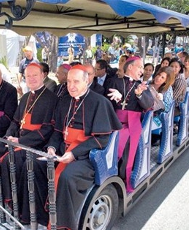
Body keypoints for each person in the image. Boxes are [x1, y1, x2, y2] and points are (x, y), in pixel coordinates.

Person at [45, 64, 122, 230]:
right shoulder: (64, 101)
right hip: (63, 149)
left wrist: (74, 153)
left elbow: (101, 139)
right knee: (37, 165)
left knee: (66, 176)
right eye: (69, 81)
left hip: (88, 155)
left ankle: (63, 224)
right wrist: (51, 147)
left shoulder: (99, 102)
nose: (71, 86)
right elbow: (58, 131)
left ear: (87, 82)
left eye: (76, 81)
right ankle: (44, 214)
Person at [0, 64, 58, 225]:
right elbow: (16, 121)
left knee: (10, 161)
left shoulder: (52, 99)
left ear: (43, 75)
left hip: (36, 144)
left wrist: (21, 142)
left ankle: (12, 204)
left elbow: (48, 129)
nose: (31, 79)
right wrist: (8, 136)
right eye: (28, 76)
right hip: (17, 139)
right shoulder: (25, 97)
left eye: (35, 75)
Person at [106, 56, 154, 192]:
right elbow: (105, 103)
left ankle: (123, 181)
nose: (142, 70)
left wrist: (139, 95)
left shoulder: (143, 86)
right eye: (140, 67)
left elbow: (149, 105)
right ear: (131, 67)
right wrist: (115, 99)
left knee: (127, 152)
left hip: (132, 124)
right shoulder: (114, 81)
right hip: (113, 122)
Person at [149, 67, 174, 144]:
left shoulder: (167, 89)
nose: (158, 78)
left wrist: (161, 100)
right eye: (159, 75)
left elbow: (168, 108)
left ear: (166, 80)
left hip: (158, 117)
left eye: (162, 77)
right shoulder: (148, 84)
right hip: (145, 112)